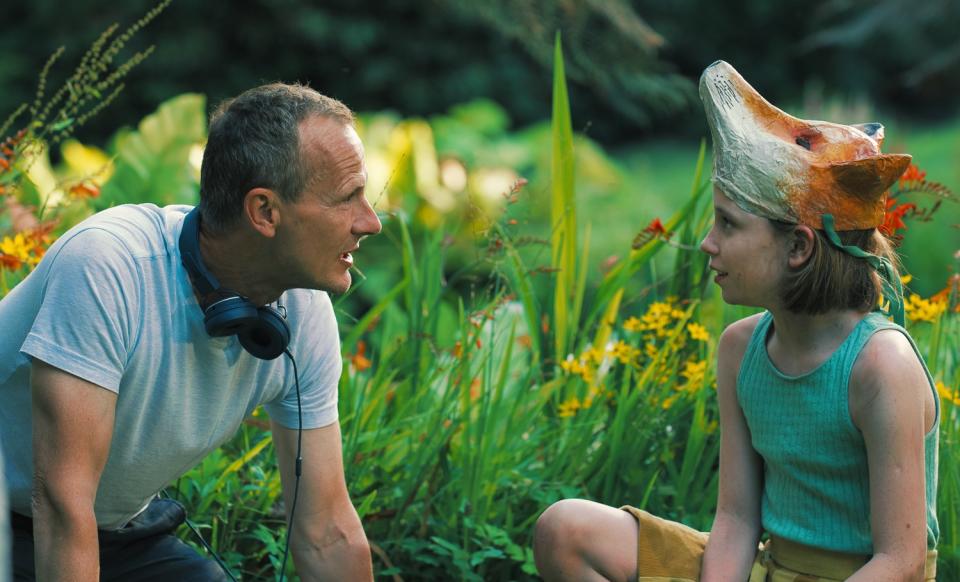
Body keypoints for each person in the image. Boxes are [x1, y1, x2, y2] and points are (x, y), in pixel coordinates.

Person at [533, 61, 939, 581]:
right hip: (768, 566)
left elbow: (900, 563)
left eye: (728, 223)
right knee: (566, 531)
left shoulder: (881, 366)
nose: (708, 243)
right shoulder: (741, 348)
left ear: (798, 246)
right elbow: (737, 519)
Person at [0, 83, 380, 580]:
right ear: (264, 211)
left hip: (112, 531)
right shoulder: (107, 268)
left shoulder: (303, 312)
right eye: (347, 198)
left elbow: (326, 529)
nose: (370, 222)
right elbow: (62, 504)